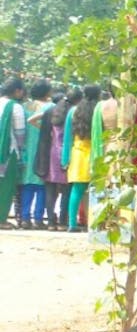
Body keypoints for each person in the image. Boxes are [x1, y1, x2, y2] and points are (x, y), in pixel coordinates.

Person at [62, 84, 103, 233]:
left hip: (78, 152)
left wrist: (65, 159)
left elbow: (67, 137)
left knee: (77, 189)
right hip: (95, 152)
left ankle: (72, 224)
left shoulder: (74, 111)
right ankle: (95, 223)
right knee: (97, 190)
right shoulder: (99, 110)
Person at [18, 80, 53, 229]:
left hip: (26, 150)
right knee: (41, 185)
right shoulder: (50, 107)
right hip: (44, 151)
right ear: (47, 93)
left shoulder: (24, 107)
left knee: (27, 185)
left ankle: (25, 218)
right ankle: (38, 219)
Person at [39, 89, 76, 231]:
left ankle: (50, 223)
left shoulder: (51, 112)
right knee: (67, 190)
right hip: (68, 152)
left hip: (52, 152)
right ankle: (62, 222)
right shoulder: (73, 113)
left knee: (50, 189)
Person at [0, 78, 28, 230]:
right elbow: (20, 132)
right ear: (17, 91)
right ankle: (1, 219)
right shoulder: (15, 107)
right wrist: (22, 149)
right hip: (7, 152)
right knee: (5, 186)